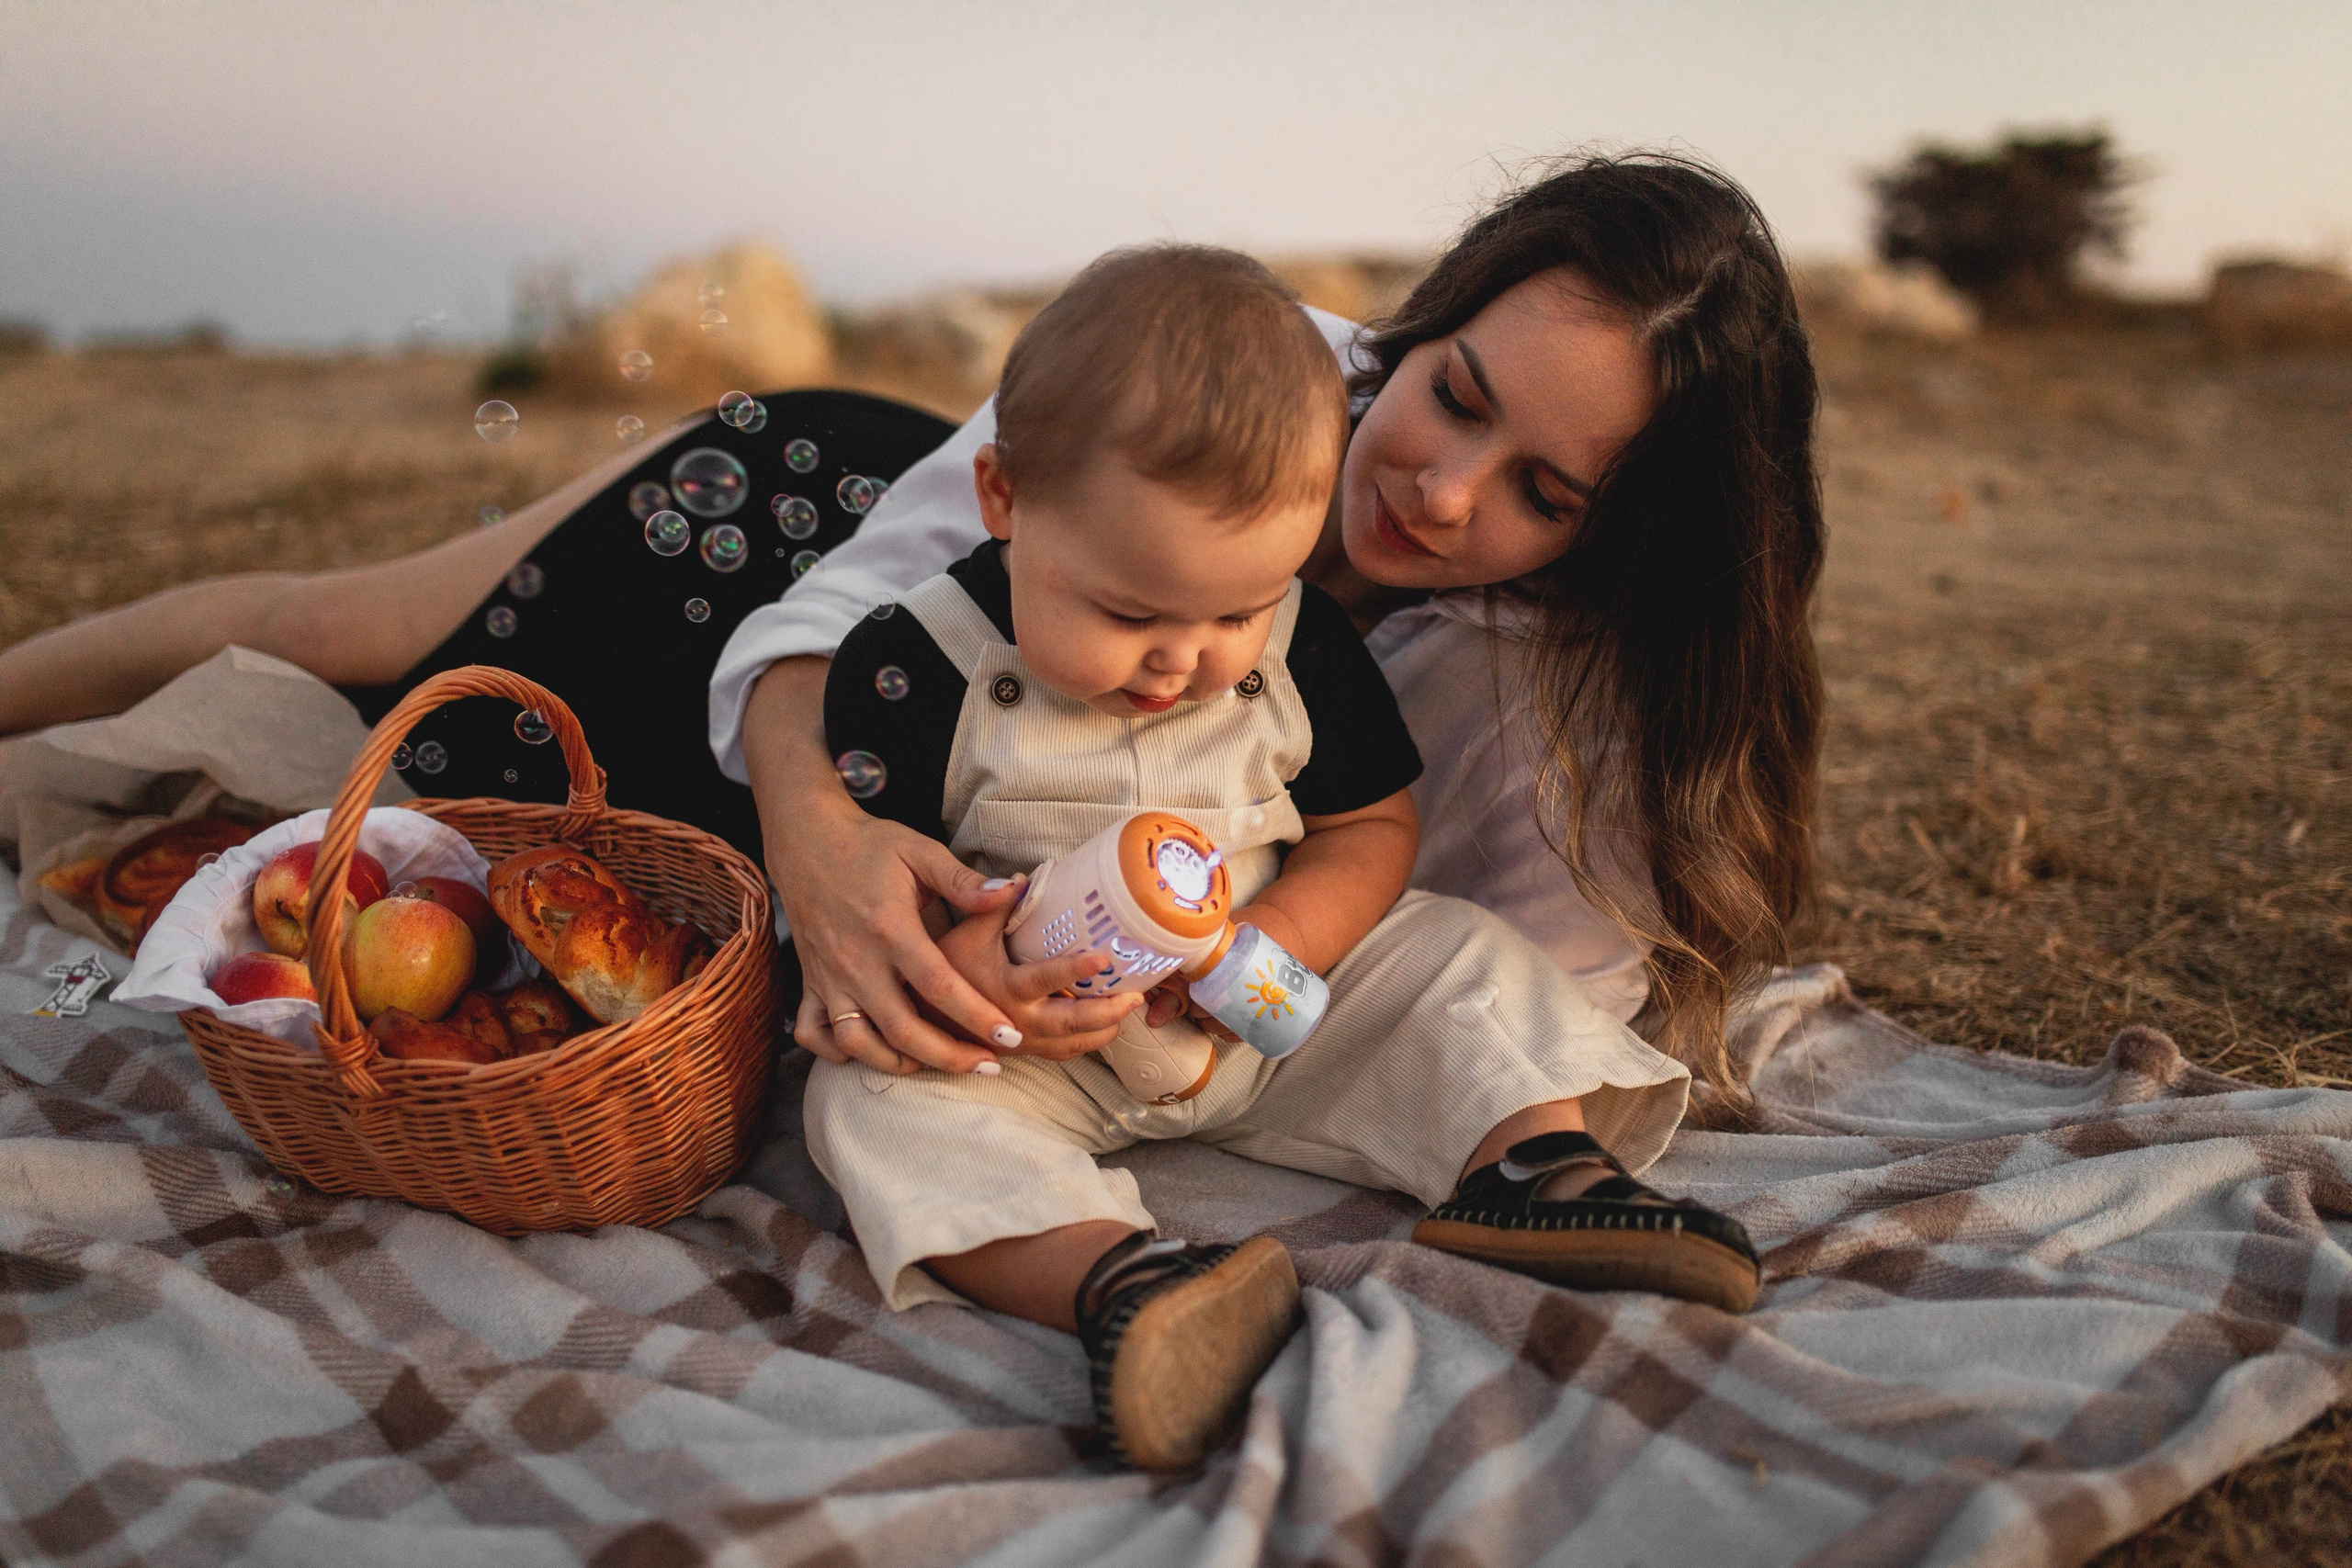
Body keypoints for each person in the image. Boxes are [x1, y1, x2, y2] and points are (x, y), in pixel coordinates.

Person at [0, 146, 1822, 1407]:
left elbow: (1413, 917)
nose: (1442, 489)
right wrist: (814, 840)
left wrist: (1248, 970)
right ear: (1424, 327)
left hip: (952, 850)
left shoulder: (1529, 650)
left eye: (1541, 493)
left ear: (1602, 541)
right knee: (363, 627)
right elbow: (832, 621)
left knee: (612, 920)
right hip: (784, 560)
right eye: (1456, 394)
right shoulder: (1195, 381)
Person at [807, 243, 1727, 1471]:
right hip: (1039, 1037)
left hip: (1262, 1005)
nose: (1183, 660)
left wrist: (1283, 945)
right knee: (869, 1102)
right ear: (1005, 500)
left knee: (1458, 957)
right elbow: (877, 878)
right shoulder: (915, 664)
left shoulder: (1301, 648)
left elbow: (1371, 831)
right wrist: (965, 966)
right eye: (1130, 613)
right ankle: (1126, 1281)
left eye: (1236, 615)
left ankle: (1534, 1164)